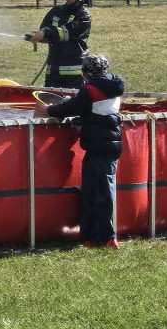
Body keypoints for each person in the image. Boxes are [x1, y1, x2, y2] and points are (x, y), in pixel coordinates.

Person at [35, 54, 123, 248]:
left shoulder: (89, 89)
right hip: (107, 145)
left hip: (99, 146)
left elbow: (72, 107)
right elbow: (91, 109)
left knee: (99, 193)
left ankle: (107, 237)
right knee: (93, 191)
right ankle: (91, 237)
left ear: (86, 73)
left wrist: (49, 110)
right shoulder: (112, 86)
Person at [28, 0, 92, 89]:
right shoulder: (56, 11)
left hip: (73, 73)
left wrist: (46, 33)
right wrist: (39, 36)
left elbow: (66, 33)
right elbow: (45, 30)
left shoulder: (84, 16)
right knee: (50, 103)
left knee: (72, 105)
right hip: (53, 70)